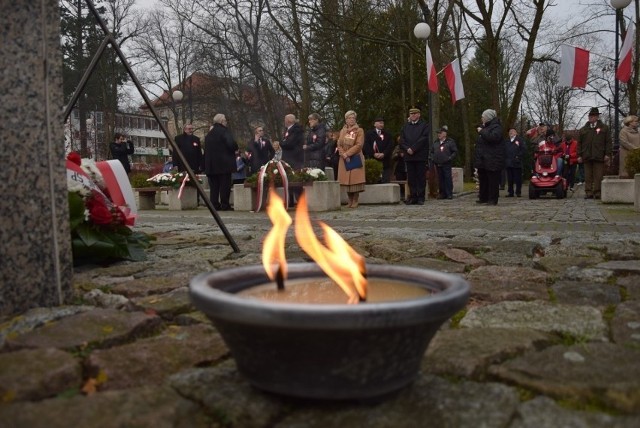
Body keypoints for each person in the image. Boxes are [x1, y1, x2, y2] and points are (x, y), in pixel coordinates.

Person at [204, 114, 238, 211]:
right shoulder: (224, 131)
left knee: (214, 187)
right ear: (222, 121)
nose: (226, 122)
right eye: (225, 120)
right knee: (225, 185)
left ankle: (214, 205)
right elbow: (231, 144)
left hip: (211, 165)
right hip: (224, 164)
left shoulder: (209, 134)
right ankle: (225, 205)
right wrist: (235, 146)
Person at [577, 107, 612, 199]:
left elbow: (608, 142)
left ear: (597, 117)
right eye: (590, 116)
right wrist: (579, 155)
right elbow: (579, 143)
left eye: (593, 116)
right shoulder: (583, 130)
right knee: (587, 176)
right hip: (586, 155)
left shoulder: (604, 128)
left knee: (598, 175)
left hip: (599, 155)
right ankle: (588, 192)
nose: (591, 118)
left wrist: (607, 154)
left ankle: (597, 192)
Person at [400, 107, 430, 205]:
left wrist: (413, 148)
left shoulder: (424, 125)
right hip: (409, 155)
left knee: (421, 177)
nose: (413, 115)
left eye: (415, 114)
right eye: (411, 114)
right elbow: (402, 140)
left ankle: (421, 197)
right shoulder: (405, 126)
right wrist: (407, 148)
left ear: (419, 115)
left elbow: (423, 139)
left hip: (420, 155)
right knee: (411, 177)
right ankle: (413, 196)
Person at [475, 109, 504, 205]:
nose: (481, 119)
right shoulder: (485, 127)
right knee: (483, 179)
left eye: (483, 117)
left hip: (493, 158)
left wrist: (482, 132)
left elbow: (493, 138)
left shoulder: (497, 127)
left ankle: (492, 199)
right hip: (483, 159)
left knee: (493, 180)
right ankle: (483, 197)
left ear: (487, 118)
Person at [337, 110, 366, 208]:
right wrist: (342, 153)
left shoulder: (359, 130)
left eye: (353, 118)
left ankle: (355, 200)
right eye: (350, 118)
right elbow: (339, 144)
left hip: (355, 157)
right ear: (346, 120)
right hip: (344, 158)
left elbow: (359, 145)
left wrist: (348, 154)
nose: (352, 120)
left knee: (355, 180)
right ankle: (349, 201)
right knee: (346, 180)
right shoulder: (342, 131)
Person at [280, 114, 305, 206]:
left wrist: (281, 143)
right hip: (288, 158)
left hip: (295, 158)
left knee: (296, 180)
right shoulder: (288, 130)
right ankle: (290, 201)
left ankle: (300, 201)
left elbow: (289, 143)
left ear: (289, 121)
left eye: (285, 119)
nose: (284, 121)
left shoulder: (296, 130)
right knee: (288, 180)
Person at [429, 126, 457, 199]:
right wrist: (433, 158)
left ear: (445, 134)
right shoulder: (436, 142)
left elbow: (454, 151)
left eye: (440, 133)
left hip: (446, 163)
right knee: (440, 179)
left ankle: (449, 193)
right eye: (438, 133)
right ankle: (442, 193)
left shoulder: (450, 142)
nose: (439, 134)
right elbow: (431, 152)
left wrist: (450, 158)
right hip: (438, 163)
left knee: (447, 178)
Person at [363, 117, 394, 183]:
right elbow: (366, 146)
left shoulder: (387, 134)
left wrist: (384, 154)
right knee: (375, 181)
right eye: (380, 123)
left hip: (385, 161)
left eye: (382, 123)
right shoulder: (369, 134)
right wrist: (373, 154)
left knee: (385, 181)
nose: (381, 124)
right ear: (375, 124)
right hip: (373, 161)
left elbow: (390, 146)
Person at [504, 128, 527, 197]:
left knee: (518, 179)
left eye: (512, 131)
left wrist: (518, 156)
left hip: (517, 162)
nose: (511, 132)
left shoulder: (520, 140)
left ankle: (518, 192)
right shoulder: (507, 141)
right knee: (510, 179)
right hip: (508, 162)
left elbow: (524, 149)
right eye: (510, 131)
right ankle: (510, 192)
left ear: (516, 133)